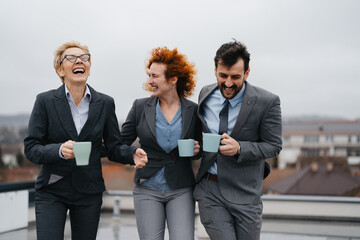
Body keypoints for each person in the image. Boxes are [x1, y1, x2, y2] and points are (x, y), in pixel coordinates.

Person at [24, 41, 148, 240]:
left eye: (84, 58)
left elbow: (113, 146)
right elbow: (31, 148)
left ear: (89, 67)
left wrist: (131, 153)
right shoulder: (44, 101)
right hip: (52, 189)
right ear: (60, 70)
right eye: (71, 58)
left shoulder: (105, 103)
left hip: (89, 190)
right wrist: (59, 150)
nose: (79, 61)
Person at [193, 40, 282, 240]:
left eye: (235, 77)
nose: (228, 83)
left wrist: (240, 148)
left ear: (247, 73)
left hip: (246, 193)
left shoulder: (267, 102)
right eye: (223, 75)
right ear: (215, 70)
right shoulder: (205, 94)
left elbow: (274, 145)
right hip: (209, 189)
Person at [121, 46, 201, 240]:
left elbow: (200, 149)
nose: (149, 81)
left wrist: (197, 150)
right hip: (147, 187)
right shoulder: (140, 107)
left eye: (155, 76)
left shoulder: (193, 110)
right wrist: (132, 154)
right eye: (149, 75)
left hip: (181, 188)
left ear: (173, 79)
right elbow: (120, 143)